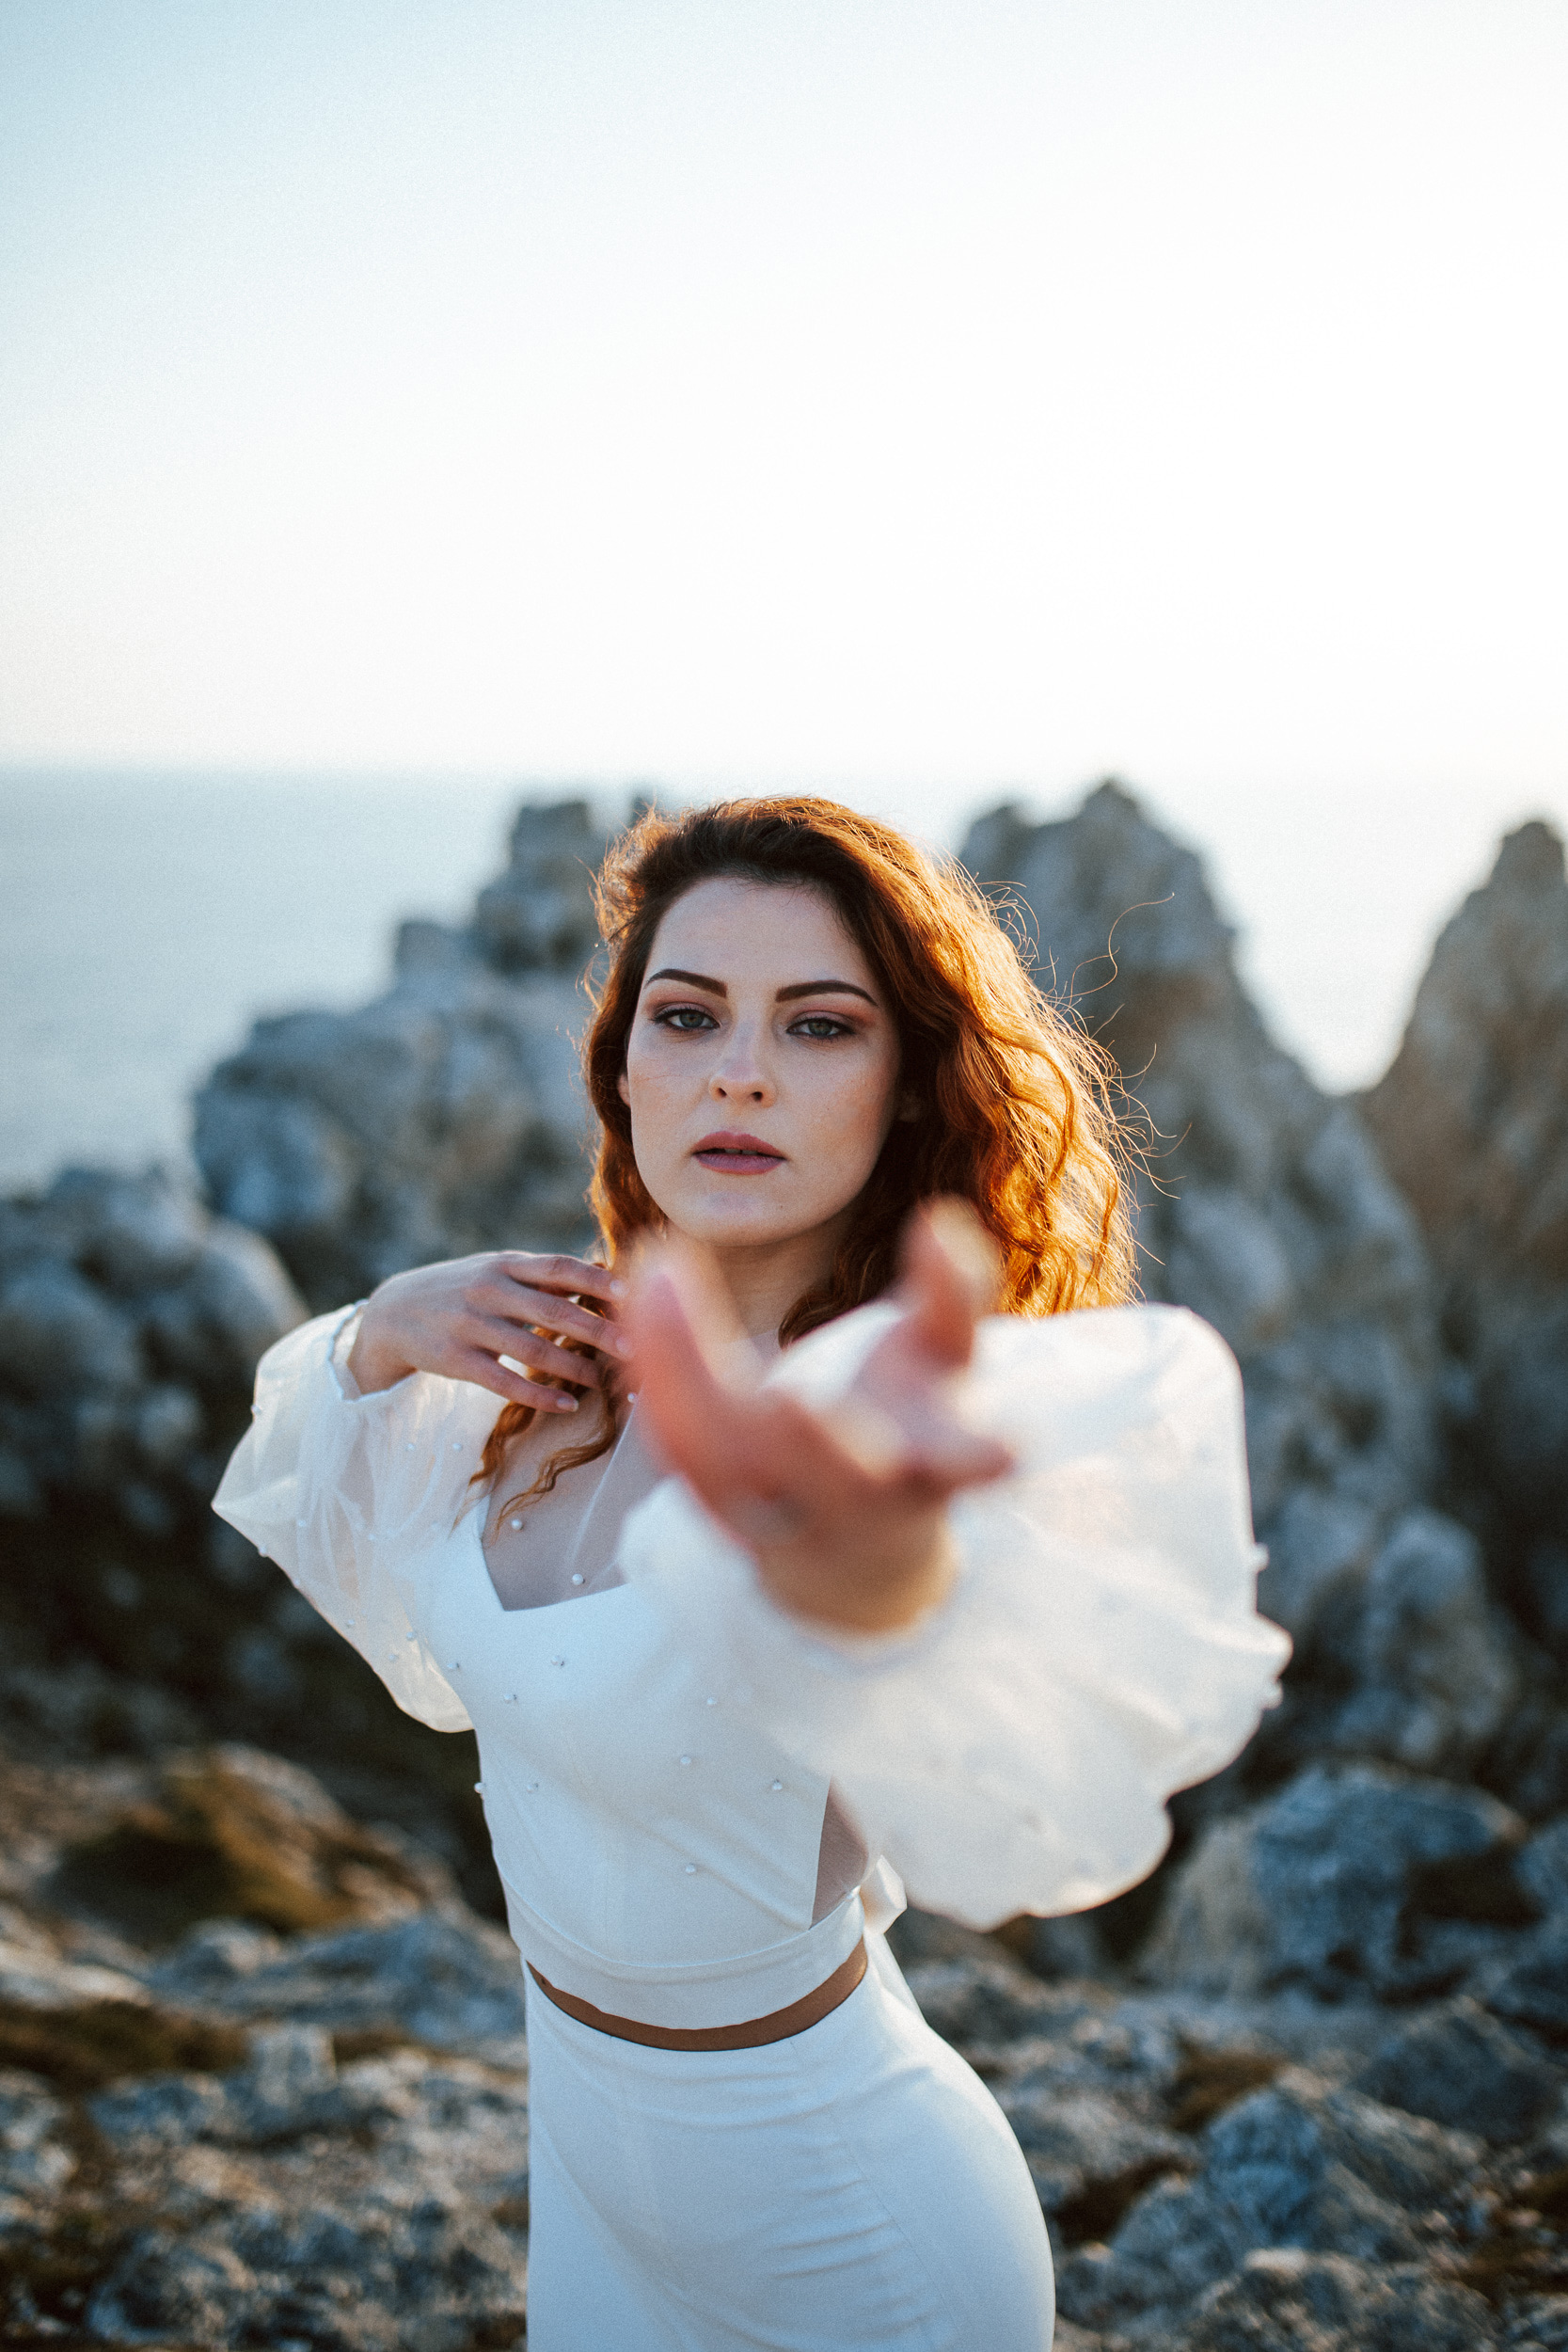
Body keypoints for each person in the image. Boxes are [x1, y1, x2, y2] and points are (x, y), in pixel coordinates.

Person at [214, 797, 1290, 2352]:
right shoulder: (540, 1368)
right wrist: (383, 1328)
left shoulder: (870, 1443)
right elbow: (323, 1499)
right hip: (591, 2196)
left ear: (906, 1088)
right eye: (689, 1013)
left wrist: (876, 1583)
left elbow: (980, 1733)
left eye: (820, 1025)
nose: (740, 1068)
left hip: (856, 2237)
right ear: (622, 1065)